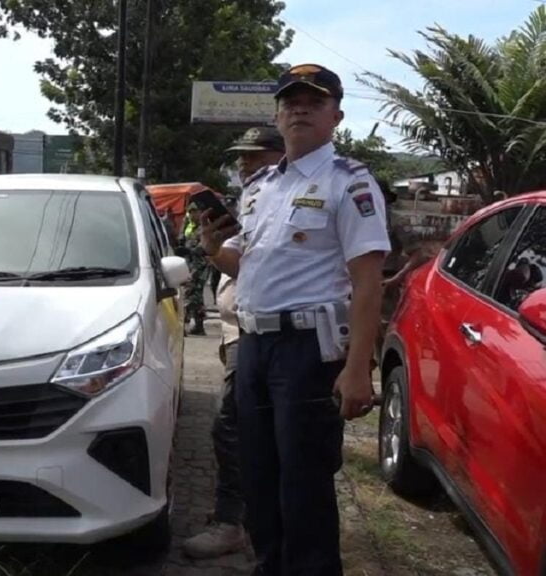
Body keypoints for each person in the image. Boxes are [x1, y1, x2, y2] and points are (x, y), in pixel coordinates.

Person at [200, 63, 390, 575]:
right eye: (289, 101)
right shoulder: (261, 185)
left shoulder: (349, 183)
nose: (299, 108)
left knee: (303, 485)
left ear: (336, 116)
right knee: (259, 479)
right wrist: (215, 249)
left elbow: (368, 281)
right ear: (278, 115)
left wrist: (357, 369)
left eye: (313, 100)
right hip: (256, 346)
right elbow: (248, 262)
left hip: (308, 351)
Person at [183, 126, 285, 559]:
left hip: (267, 332)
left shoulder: (284, 203)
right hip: (234, 330)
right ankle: (249, 523)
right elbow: (238, 265)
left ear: (282, 157)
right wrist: (212, 245)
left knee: (233, 427)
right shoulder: (250, 201)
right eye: (242, 158)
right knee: (239, 430)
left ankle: (238, 523)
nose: (245, 165)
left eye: (256, 157)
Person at [181, 202, 209, 335]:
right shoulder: (188, 226)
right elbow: (182, 239)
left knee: (188, 292)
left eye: (194, 212)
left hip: (200, 265)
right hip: (189, 264)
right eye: (190, 212)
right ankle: (199, 325)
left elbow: (203, 247)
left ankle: (182, 325)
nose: (192, 215)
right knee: (196, 297)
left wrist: (189, 250)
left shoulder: (205, 226)